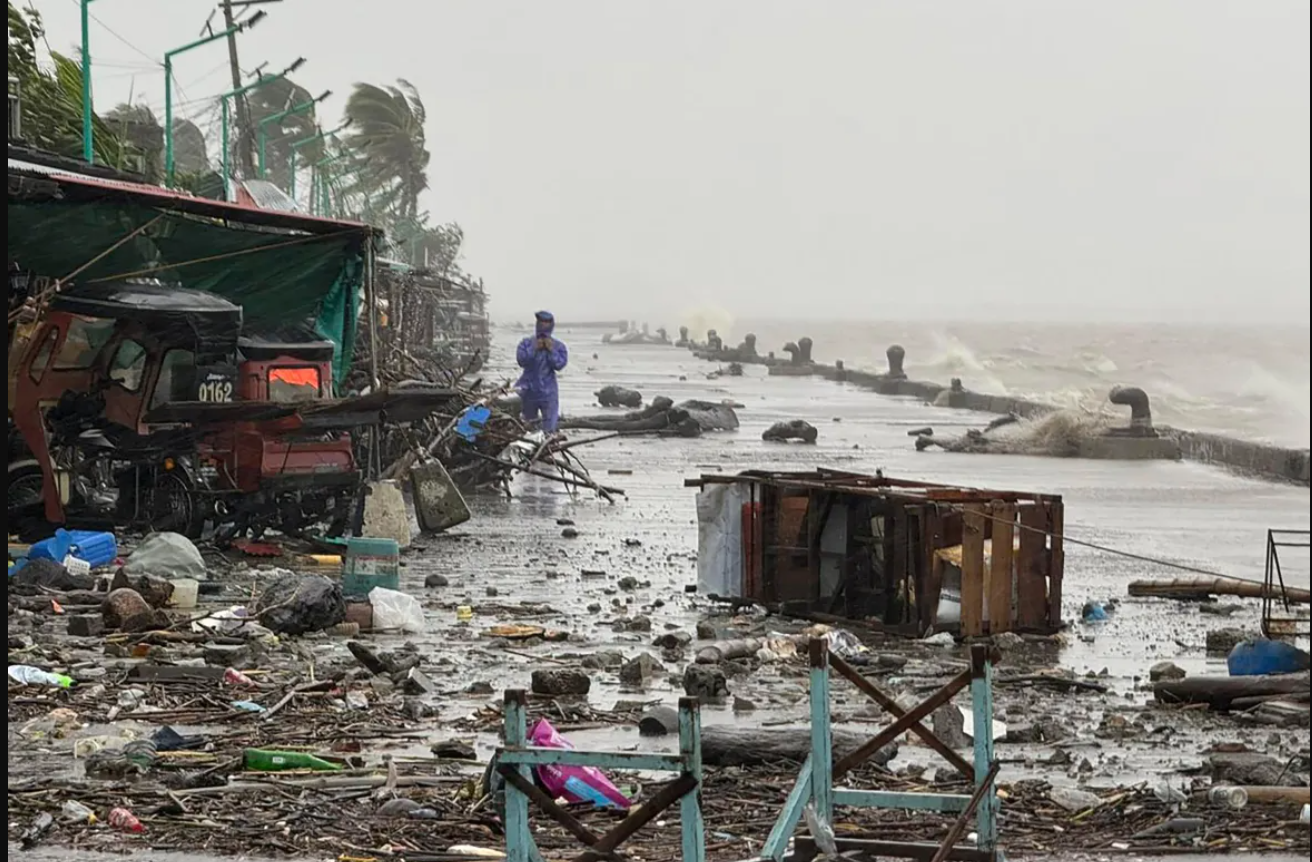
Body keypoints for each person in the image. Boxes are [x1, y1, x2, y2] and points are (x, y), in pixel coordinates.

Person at [516, 311, 569, 432]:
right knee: (528, 426)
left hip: (548, 392)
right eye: (541, 322)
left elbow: (559, 365)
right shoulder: (526, 343)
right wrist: (534, 349)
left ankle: (547, 447)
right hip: (528, 389)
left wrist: (551, 351)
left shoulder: (558, 346)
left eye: (546, 322)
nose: (543, 325)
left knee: (549, 427)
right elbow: (521, 360)